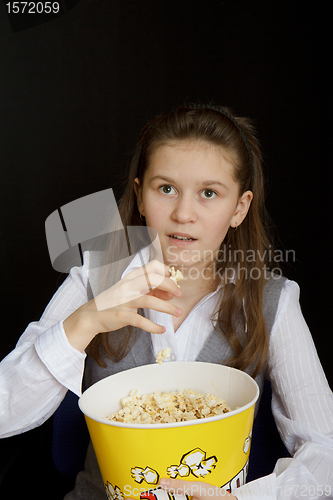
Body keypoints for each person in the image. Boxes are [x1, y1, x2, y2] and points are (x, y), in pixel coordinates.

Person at [0, 104, 332, 500]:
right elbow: (5, 416)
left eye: (209, 193)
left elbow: (326, 452)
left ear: (239, 209)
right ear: (141, 195)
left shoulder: (273, 301)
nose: (183, 214)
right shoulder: (94, 277)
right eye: (166, 189)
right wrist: (82, 322)